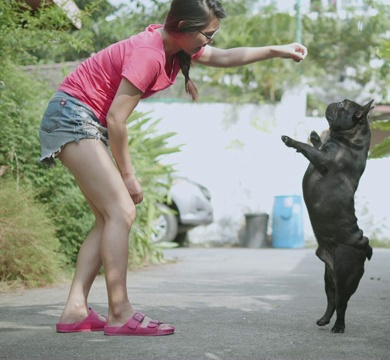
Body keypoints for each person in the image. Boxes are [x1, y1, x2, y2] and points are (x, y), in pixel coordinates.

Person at [40, 0, 307, 336]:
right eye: (207, 35)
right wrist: (128, 176)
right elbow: (116, 119)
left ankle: (75, 311)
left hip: (77, 117)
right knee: (122, 211)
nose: (209, 42)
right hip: (72, 116)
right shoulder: (149, 54)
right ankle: (119, 312)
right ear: (182, 27)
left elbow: (223, 58)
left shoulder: (174, 46)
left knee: (108, 217)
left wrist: (277, 50)